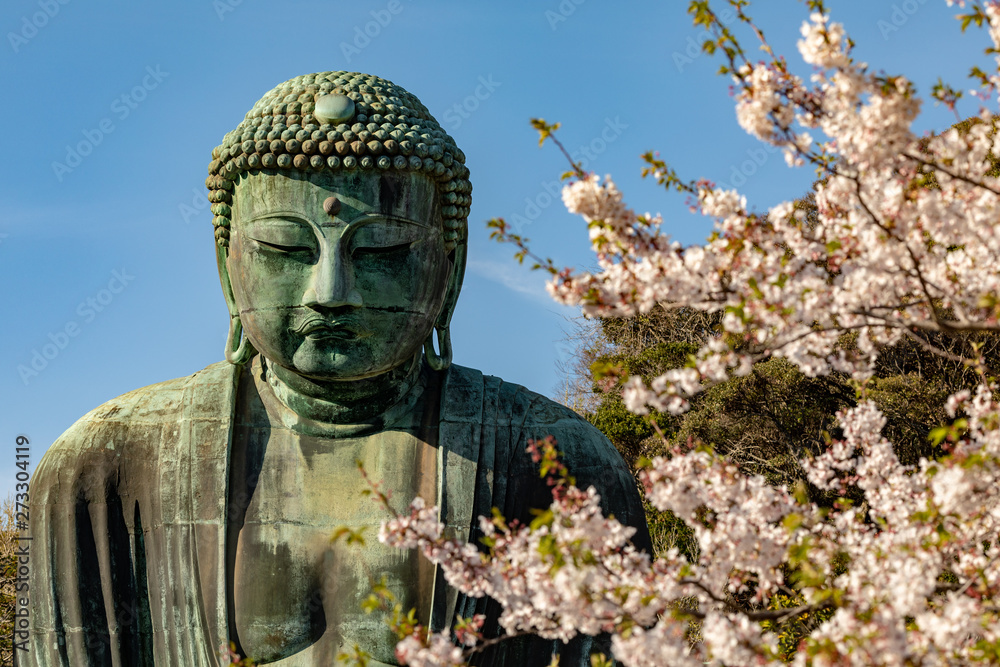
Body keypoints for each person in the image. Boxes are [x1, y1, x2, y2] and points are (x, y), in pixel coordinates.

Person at [28, 71, 650, 666]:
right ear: (227, 267)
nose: (330, 292)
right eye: (286, 248)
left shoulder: (558, 466)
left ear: (450, 270)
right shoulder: (103, 467)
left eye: (381, 249)